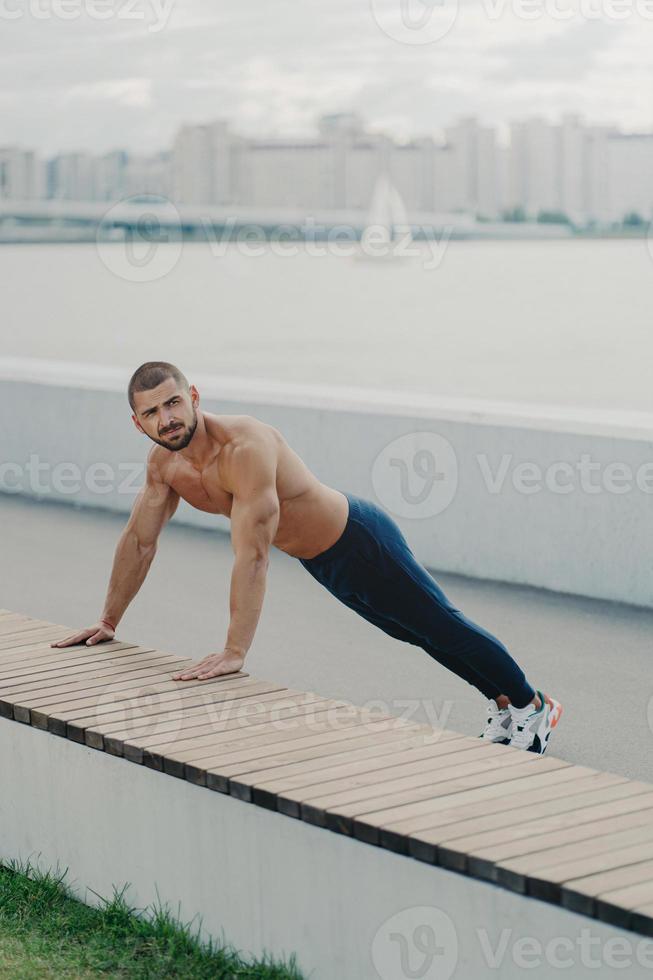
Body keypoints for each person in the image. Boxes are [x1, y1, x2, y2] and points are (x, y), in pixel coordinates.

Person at [52, 361, 563, 755]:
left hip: (361, 540)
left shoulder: (245, 448)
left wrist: (234, 651)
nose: (166, 419)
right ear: (137, 422)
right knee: (416, 632)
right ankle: (502, 704)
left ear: (193, 397)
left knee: (440, 624)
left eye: (172, 404)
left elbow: (252, 555)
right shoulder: (164, 466)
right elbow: (140, 541)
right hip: (322, 560)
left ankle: (532, 706)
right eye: (152, 412)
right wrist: (107, 619)